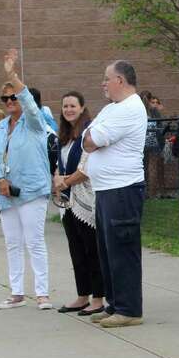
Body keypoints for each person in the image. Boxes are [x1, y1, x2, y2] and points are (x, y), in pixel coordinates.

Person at [0, 49, 53, 310]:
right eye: (6, 98)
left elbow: (29, 103)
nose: (10, 101)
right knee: (12, 242)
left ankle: (42, 292)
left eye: (13, 96)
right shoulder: (1, 128)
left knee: (34, 241)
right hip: (6, 192)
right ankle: (16, 292)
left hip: (32, 189)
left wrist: (12, 74)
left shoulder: (34, 122)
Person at [83, 60, 148, 327]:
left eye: (106, 78)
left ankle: (129, 309)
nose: (103, 83)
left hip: (123, 189)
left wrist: (91, 137)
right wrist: (91, 136)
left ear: (120, 80)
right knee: (107, 250)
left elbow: (91, 141)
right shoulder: (112, 108)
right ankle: (114, 304)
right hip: (107, 189)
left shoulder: (130, 108)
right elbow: (86, 138)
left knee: (122, 249)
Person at [53, 90, 105, 316]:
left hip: (86, 200)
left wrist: (64, 182)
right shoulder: (63, 136)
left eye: (73, 106)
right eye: (65, 106)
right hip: (67, 203)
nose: (68, 110)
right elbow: (60, 164)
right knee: (76, 251)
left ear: (82, 107)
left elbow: (86, 168)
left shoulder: (88, 133)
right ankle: (82, 295)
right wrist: (57, 177)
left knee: (91, 250)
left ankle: (98, 298)